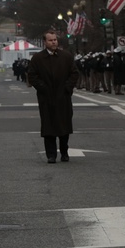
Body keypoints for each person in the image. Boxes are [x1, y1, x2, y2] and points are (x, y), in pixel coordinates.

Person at [27, 29, 80, 163]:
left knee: (64, 125)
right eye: (50, 40)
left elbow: (74, 73)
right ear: (45, 42)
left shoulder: (66, 56)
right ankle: (51, 154)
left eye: (55, 40)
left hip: (63, 96)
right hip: (46, 98)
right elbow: (32, 76)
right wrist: (43, 88)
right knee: (48, 126)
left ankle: (64, 151)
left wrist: (67, 88)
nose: (53, 42)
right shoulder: (38, 58)